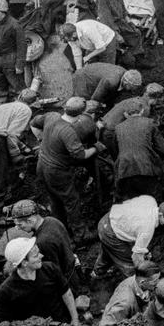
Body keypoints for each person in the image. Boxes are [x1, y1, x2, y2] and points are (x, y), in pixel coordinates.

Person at [36, 97, 106, 237]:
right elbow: (80, 155)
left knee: (55, 199)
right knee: (71, 201)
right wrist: (96, 148)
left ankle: (61, 229)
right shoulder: (68, 131)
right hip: (56, 171)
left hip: (42, 164)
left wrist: (40, 139)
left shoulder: (51, 116)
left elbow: (34, 123)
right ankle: (81, 235)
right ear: (80, 115)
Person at [0, 237, 79, 325]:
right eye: (36, 255)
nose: (42, 256)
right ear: (24, 263)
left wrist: (75, 319)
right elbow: (1, 324)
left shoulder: (50, 269)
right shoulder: (6, 291)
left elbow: (66, 293)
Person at [95, 194, 164, 278]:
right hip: (110, 233)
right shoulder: (147, 229)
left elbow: (134, 223)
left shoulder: (150, 200)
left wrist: (143, 252)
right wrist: (144, 268)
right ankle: (136, 283)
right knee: (129, 262)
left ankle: (97, 272)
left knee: (109, 250)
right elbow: (136, 257)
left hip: (108, 219)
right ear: (160, 215)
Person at [8, 199, 77, 291]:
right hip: (73, 270)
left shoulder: (42, 242)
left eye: (20, 225)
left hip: (67, 283)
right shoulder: (52, 220)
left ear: (30, 221)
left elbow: (53, 272)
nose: (19, 228)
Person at [112, 105, 164, 200]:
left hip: (124, 170)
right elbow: (163, 149)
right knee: (153, 200)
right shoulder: (149, 123)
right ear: (141, 112)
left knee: (130, 202)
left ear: (125, 114)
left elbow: (115, 151)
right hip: (147, 168)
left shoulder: (118, 128)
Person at [96, 260, 164, 326]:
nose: (158, 282)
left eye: (159, 278)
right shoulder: (124, 302)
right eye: (155, 281)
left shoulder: (139, 281)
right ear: (143, 282)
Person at [71, 63, 141, 115]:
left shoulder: (126, 74)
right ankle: (72, 113)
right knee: (81, 102)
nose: (130, 90)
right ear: (126, 83)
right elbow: (96, 98)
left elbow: (114, 93)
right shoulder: (111, 81)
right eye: (131, 88)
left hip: (95, 74)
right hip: (83, 78)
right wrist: (96, 109)